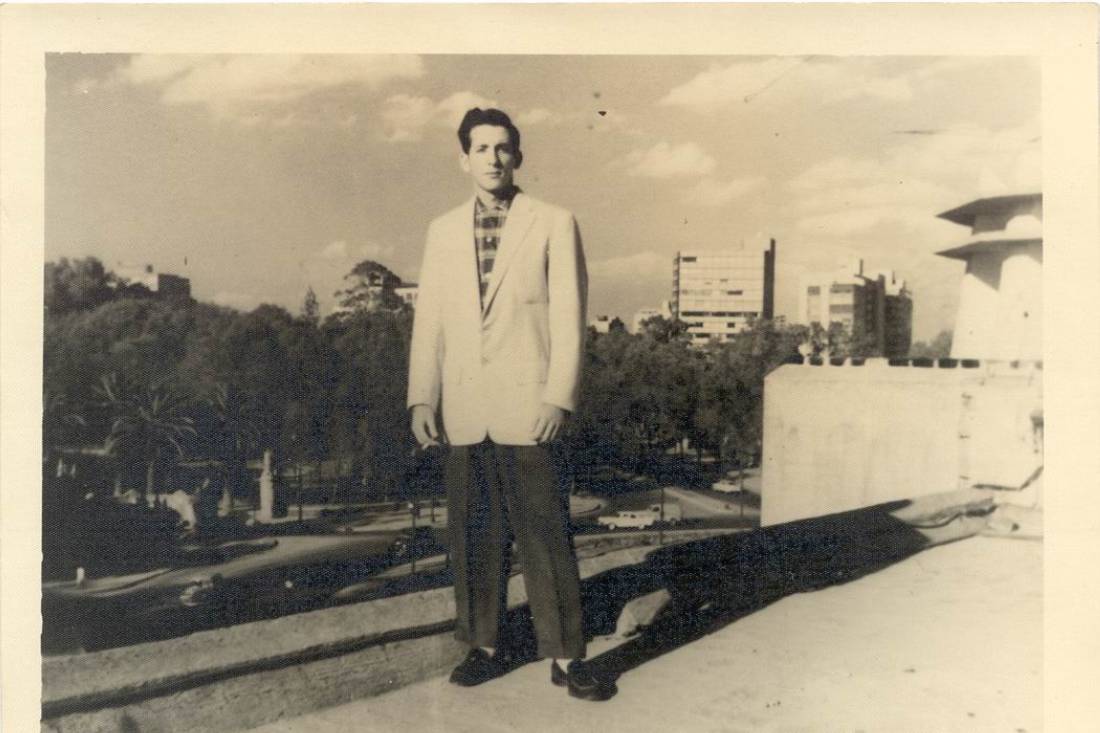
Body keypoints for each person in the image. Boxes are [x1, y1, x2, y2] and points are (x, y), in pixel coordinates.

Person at [406, 107, 614, 701]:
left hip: (531, 409)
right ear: (463, 158)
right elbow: (430, 322)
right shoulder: (442, 231)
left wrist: (559, 397)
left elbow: (569, 316)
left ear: (517, 156)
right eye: (481, 148)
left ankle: (568, 657)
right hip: (465, 409)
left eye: (503, 148)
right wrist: (422, 396)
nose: (493, 158)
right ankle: (483, 646)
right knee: (473, 536)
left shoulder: (553, 222)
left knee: (546, 536)